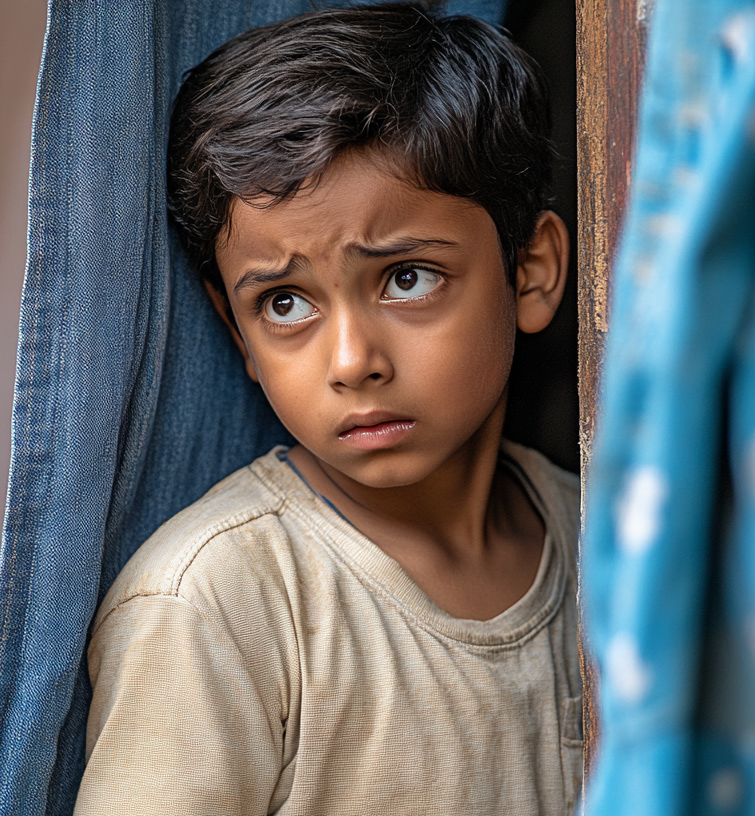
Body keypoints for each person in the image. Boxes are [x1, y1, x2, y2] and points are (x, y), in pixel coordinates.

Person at [73, 5, 579, 814]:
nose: (351, 363)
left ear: (531, 272)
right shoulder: (215, 604)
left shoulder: (612, 551)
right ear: (235, 328)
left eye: (407, 278)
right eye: (283, 304)